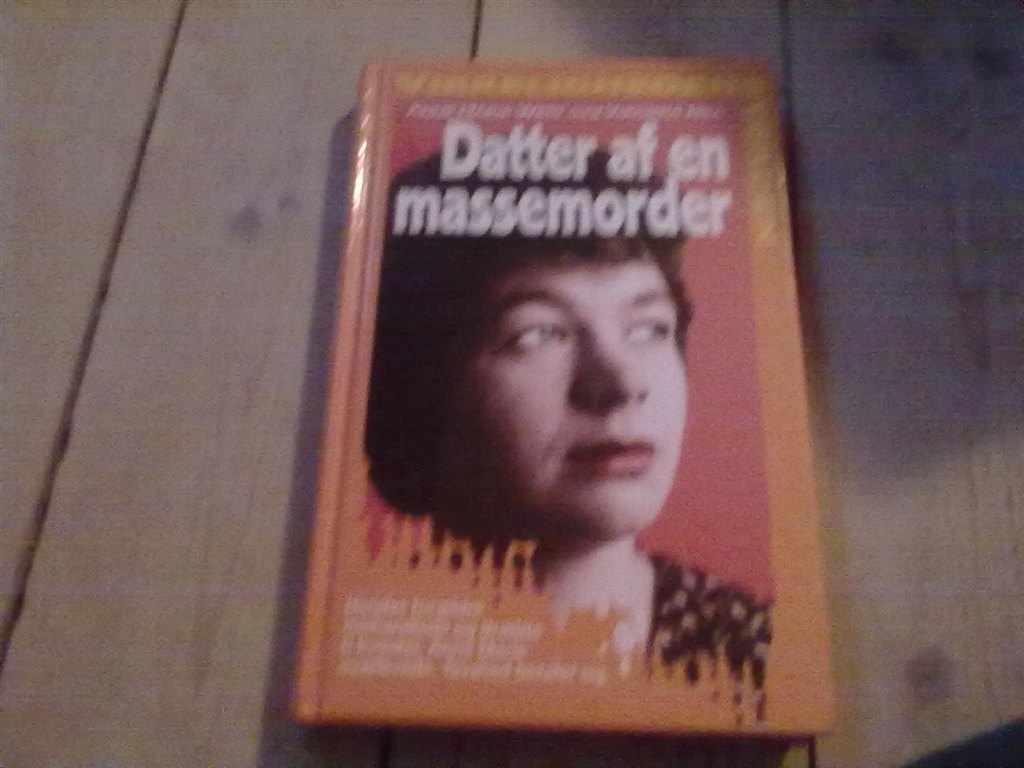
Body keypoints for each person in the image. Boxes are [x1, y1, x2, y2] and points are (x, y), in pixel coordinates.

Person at [366, 152, 770, 696]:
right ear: (421, 386)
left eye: (649, 328)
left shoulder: (760, 656)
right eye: (539, 334)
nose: (620, 384)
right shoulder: (372, 643)